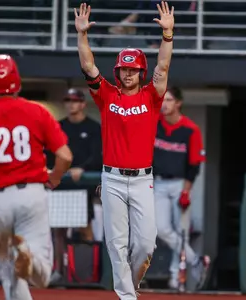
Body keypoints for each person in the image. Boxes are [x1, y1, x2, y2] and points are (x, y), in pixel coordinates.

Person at [74, 1, 174, 299]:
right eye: (123, 69)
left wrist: (168, 35)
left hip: (143, 179)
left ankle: (131, 283)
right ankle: (126, 296)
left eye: (133, 69)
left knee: (146, 243)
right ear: (117, 71)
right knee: (116, 242)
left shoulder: (151, 96)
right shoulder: (107, 94)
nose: (128, 74)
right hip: (113, 178)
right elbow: (88, 66)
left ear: (140, 71)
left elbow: (164, 66)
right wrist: (82, 36)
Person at [0, 54, 73, 300]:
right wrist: (56, 177)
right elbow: (65, 156)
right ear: (17, 82)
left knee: (8, 273)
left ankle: (21, 257)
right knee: (42, 277)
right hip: (31, 193)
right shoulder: (37, 112)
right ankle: (26, 255)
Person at [152, 86, 210, 290]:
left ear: (178, 103)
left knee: (180, 230)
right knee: (162, 229)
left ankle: (176, 276)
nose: (164, 104)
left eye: (169, 100)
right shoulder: (153, 124)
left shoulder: (190, 129)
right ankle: (195, 261)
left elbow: (194, 165)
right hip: (158, 183)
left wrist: (186, 191)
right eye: (162, 100)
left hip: (179, 183)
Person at [46, 88, 102, 284]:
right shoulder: (58, 126)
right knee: (58, 230)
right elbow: (49, 153)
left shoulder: (94, 128)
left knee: (85, 226)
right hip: (62, 184)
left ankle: (89, 272)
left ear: (83, 104)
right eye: (68, 100)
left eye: (75, 101)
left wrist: (83, 169)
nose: (71, 104)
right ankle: (59, 270)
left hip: (82, 185)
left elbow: (98, 156)